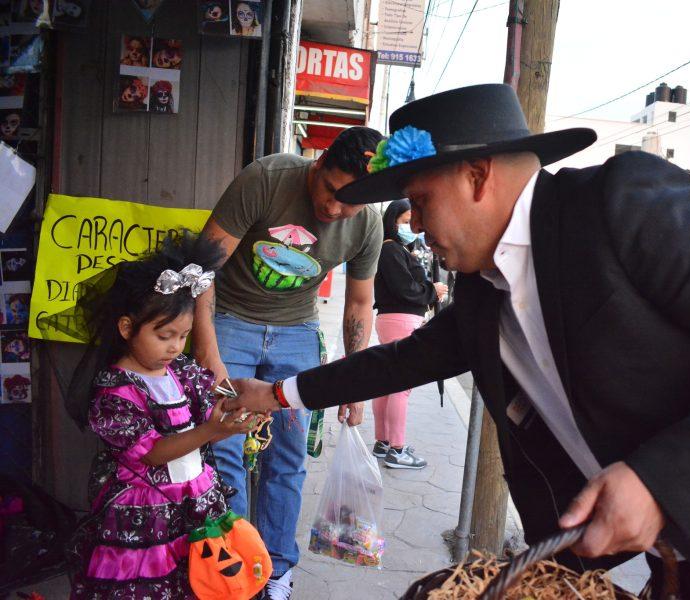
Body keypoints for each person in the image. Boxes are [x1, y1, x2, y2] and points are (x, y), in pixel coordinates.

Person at [227, 84, 690, 599]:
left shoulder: (619, 202)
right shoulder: (484, 291)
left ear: (478, 176)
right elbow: (405, 358)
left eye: (420, 199)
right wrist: (279, 392)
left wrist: (661, 481)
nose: (412, 222)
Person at [192, 126, 385, 599]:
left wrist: (353, 386)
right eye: (331, 191)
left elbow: (359, 304)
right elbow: (202, 268)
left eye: (350, 204)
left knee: (287, 456)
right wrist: (209, 353)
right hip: (230, 321)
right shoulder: (267, 178)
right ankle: (236, 569)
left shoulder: (368, 223)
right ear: (318, 165)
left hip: (298, 331)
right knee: (224, 447)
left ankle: (275, 570)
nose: (334, 210)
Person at [68, 234, 259, 599]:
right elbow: (153, 453)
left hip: (193, 497)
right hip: (144, 512)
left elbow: (209, 412)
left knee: (197, 576)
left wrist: (234, 416)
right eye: (164, 335)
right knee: (149, 583)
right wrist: (209, 431)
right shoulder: (115, 391)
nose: (174, 346)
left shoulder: (180, 370)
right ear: (127, 328)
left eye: (183, 336)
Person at [371, 199, 447, 469]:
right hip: (402, 320)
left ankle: (383, 442)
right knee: (401, 386)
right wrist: (432, 291)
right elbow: (405, 288)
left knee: (388, 383)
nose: (411, 227)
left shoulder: (397, 249)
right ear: (392, 221)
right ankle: (397, 449)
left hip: (393, 319)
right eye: (405, 221)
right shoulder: (392, 249)